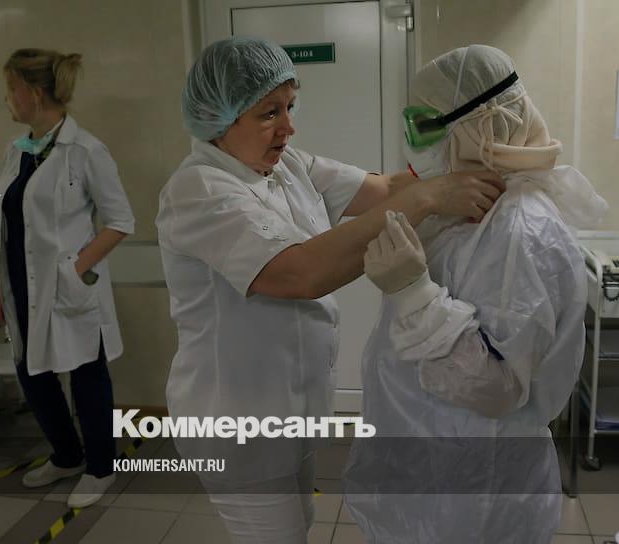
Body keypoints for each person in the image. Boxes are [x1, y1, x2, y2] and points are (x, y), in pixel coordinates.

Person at [155, 36, 506, 543]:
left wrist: (469, 162)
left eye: (290, 106)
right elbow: (300, 273)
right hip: (236, 422)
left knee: (298, 525)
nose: (288, 126)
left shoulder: (288, 165)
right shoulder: (199, 190)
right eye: (269, 113)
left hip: (286, 411)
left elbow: (385, 189)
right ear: (220, 119)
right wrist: (430, 197)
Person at [343, 44, 609, 543]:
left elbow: (496, 387)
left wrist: (415, 294)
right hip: (437, 468)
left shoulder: (520, 232)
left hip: (473, 493)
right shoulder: (469, 207)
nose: (411, 141)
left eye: (425, 125)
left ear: (481, 125)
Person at [0, 48, 135, 508]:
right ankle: (67, 455)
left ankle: (101, 467)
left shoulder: (86, 150)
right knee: (31, 372)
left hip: (69, 285)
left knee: (87, 373)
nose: (6, 99)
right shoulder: (17, 151)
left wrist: (74, 270)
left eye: (11, 89)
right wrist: (3, 287)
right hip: (22, 284)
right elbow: (13, 227)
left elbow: (120, 221)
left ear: (34, 93)